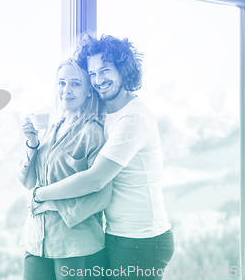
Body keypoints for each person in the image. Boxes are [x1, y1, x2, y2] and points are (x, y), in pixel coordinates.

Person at [31, 35, 174, 279]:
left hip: (141, 239)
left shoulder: (132, 119)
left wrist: (39, 194)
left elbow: (95, 179)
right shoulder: (105, 110)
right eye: (92, 73)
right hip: (117, 234)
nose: (98, 80)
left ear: (124, 70)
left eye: (105, 70)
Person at [18, 59, 113, 280]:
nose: (66, 90)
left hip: (76, 244)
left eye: (75, 84)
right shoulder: (51, 129)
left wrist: (48, 203)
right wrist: (32, 143)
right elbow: (29, 182)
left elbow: (102, 195)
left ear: (89, 91)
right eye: (61, 83)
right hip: (36, 239)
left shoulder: (93, 133)